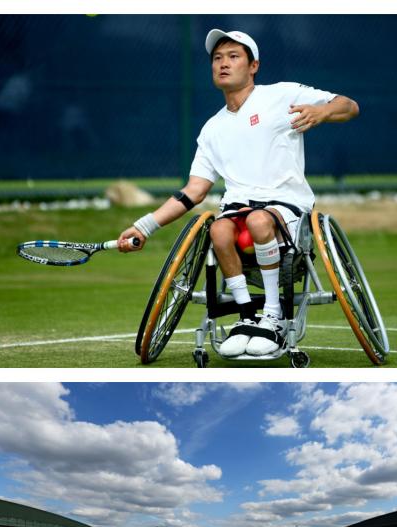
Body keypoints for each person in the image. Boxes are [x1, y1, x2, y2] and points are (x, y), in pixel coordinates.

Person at [118, 28, 359, 357]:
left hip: (286, 209)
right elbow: (193, 191)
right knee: (217, 229)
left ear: (253, 66)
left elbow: (349, 105)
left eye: (233, 56)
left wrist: (323, 112)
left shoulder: (282, 95)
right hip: (236, 213)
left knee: (259, 221)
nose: (223, 64)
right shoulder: (211, 129)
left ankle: (273, 315)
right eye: (217, 58)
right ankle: (247, 317)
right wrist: (144, 226)